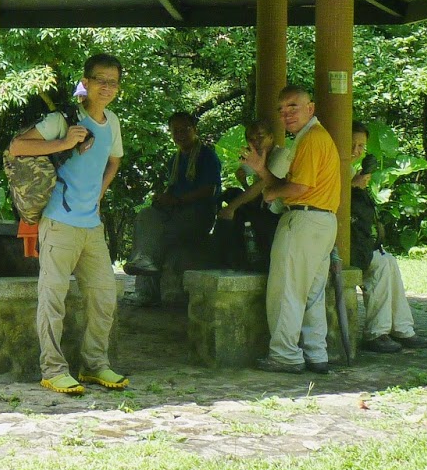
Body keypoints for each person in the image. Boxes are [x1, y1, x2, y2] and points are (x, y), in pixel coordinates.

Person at [10, 53, 128, 396]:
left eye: (113, 82)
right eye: (100, 80)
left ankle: (94, 364)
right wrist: (65, 142)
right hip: (58, 222)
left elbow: (114, 161)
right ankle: (53, 370)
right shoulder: (63, 119)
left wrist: (98, 195)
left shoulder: (113, 122)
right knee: (53, 298)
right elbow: (17, 146)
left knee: (104, 295)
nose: (107, 87)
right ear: (86, 82)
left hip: (91, 225)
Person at [242, 84, 341, 374]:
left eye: (293, 107)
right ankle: (316, 354)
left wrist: (272, 194)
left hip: (304, 220)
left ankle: (285, 355)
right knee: (312, 293)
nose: (286, 114)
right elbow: (287, 183)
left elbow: (299, 187)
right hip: (323, 222)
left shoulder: (311, 138)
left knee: (287, 290)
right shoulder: (312, 136)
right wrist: (261, 170)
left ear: (310, 108)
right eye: (281, 110)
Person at [123, 112, 221, 307]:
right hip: (176, 213)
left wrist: (177, 200)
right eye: (175, 130)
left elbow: (210, 189)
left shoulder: (207, 155)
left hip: (198, 216)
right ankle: (143, 268)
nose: (180, 134)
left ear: (195, 130)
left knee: (156, 235)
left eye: (185, 129)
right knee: (146, 216)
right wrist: (162, 199)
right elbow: (172, 188)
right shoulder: (174, 160)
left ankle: (146, 292)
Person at [350, 122, 427, 353]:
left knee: (389, 261)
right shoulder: (332, 166)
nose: (356, 150)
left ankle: (402, 329)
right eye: (351, 144)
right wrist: (352, 185)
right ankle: (376, 333)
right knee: (381, 266)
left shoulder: (350, 169)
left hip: (356, 242)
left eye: (361, 146)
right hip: (335, 245)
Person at [216, 121, 287, 271]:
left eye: (260, 137)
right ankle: (230, 258)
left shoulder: (281, 155)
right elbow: (250, 188)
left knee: (235, 208)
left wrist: (231, 208)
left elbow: (259, 187)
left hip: (279, 215)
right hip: (263, 209)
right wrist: (243, 182)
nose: (256, 142)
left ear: (271, 137)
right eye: (251, 139)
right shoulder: (257, 157)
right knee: (231, 194)